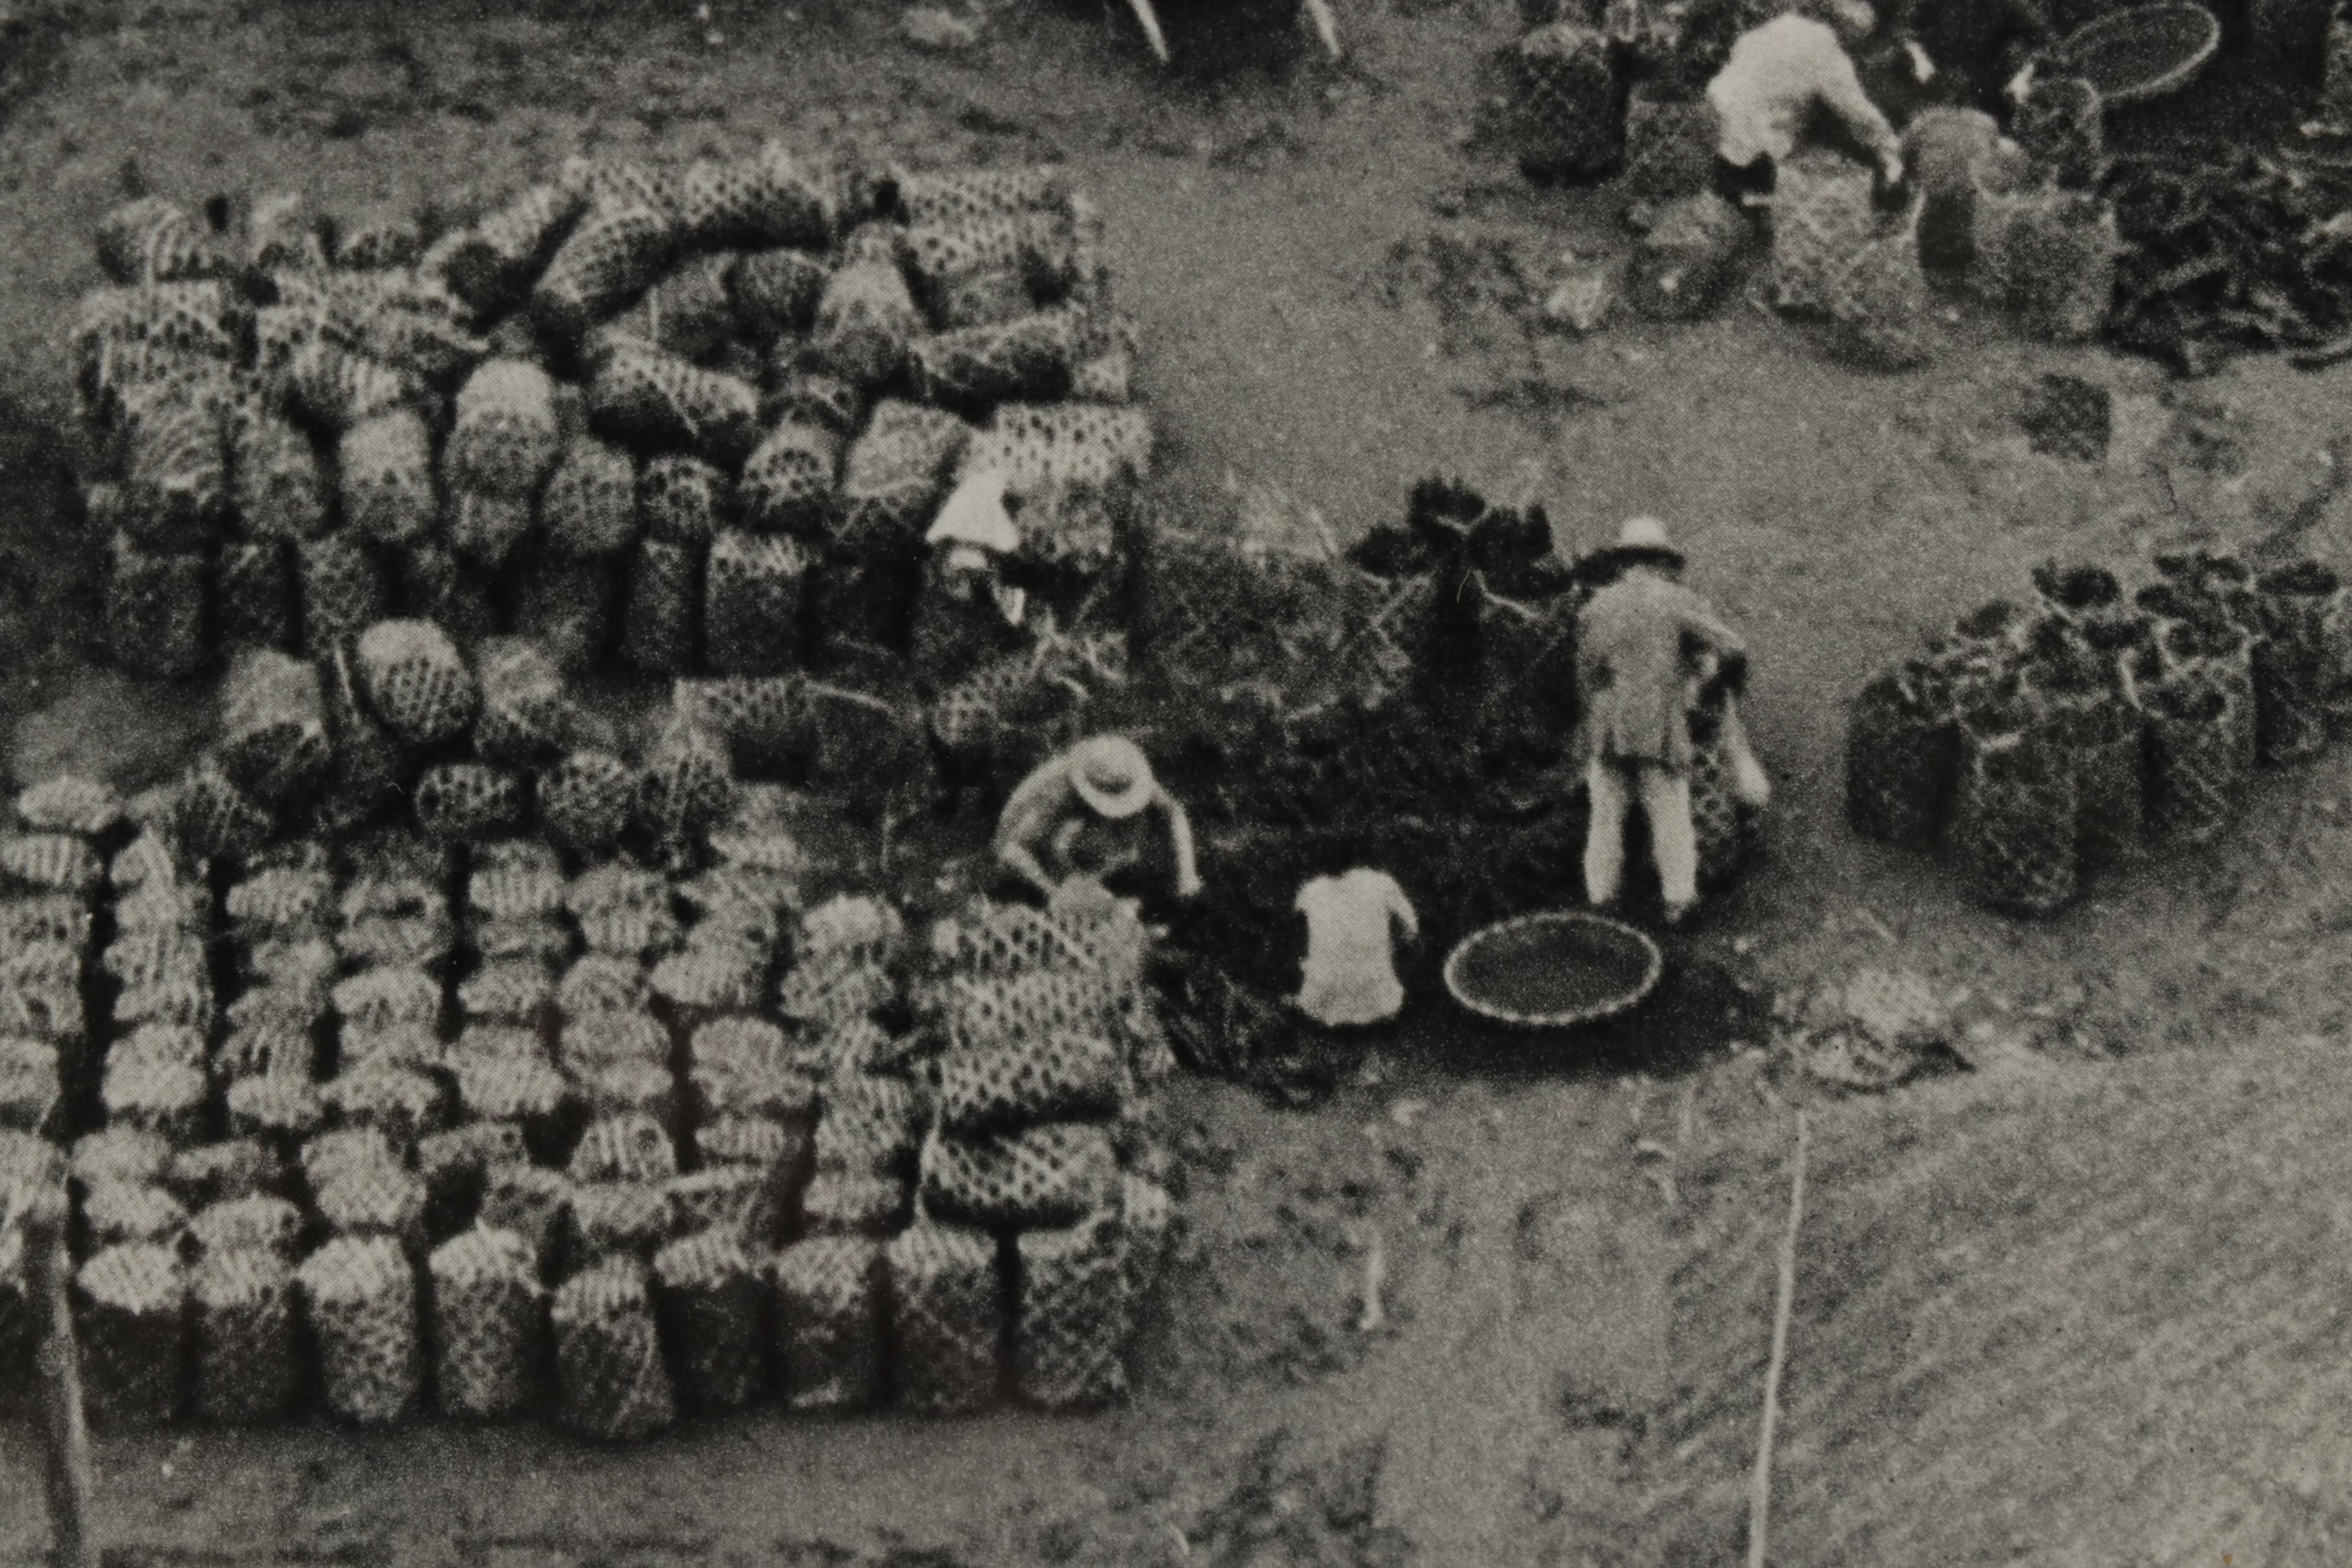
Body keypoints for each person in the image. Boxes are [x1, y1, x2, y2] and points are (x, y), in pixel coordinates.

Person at [1573, 518, 1770, 926]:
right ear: (1662, 561)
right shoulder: (1678, 601)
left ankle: (1601, 903)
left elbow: (1587, 675)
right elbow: (1734, 648)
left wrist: (1602, 711)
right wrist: (1715, 688)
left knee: (1605, 819)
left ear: (1622, 562)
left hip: (1608, 728)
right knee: (1670, 817)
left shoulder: (1596, 607)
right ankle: (1679, 903)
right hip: (1659, 727)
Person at [1705, 0, 1907, 208]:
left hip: (1713, 116)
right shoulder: (1825, 49)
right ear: (1848, 32)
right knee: (1751, 207)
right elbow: (1857, 111)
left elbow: (1741, 53)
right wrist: (1891, 150)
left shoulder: (1780, 25)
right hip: (1751, 144)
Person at [993, 733, 1204, 908]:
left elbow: (1173, 811)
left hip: (1075, 848)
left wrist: (1187, 873)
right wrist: (1055, 893)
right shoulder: (1056, 791)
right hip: (1027, 857)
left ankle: (1095, 883)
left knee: (1128, 846)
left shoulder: (1124, 774)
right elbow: (1012, 851)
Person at [1292, 867, 1419, 1030]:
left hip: (1319, 1008)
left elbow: (1295, 935)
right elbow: (1412, 930)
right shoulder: (1384, 883)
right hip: (1382, 1006)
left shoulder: (1310, 890)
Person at [1884, 0, 2056, 120]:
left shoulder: (2008, 4)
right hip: (1938, 81)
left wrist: (2023, 77)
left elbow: (2044, 40)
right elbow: (1904, 26)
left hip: (1987, 89)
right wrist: (1919, 59)